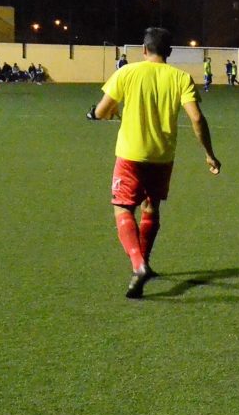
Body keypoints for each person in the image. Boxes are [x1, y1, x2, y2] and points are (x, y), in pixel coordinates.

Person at [90, 27, 222, 298]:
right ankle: (146, 262)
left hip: (130, 155)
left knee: (122, 208)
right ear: (169, 52)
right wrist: (209, 153)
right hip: (162, 157)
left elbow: (101, 111)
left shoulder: (127, 72)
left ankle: (137, 264)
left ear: (144, 49)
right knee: (151, 207)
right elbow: (197, 118)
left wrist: (101, 113)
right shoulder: (180, 78)